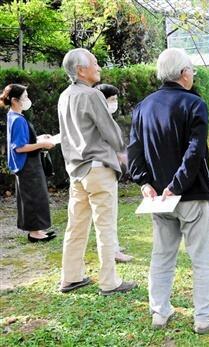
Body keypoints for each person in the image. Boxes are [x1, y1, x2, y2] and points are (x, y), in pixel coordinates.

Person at [128, 48, 209, 333]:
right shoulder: (194, 103)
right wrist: (177, 185)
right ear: (184, 73)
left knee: (162, 255)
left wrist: (145, 183)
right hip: (191, 194)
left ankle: (159, 311)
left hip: (158, 198)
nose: (193, 75)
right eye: (192, 70)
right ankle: (205, 316)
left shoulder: (142, 107)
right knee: (203, 257)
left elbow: (134, 152)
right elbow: (195, 151)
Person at [57, 48, 136, 295]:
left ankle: (70, 277)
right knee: (105, 227)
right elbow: (110, 130)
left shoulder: (64, 96)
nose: (98, 66)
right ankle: (109, 282)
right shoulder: (92, 95)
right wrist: (122, 152)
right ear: (81, 70)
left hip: (77, 170)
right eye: (94, 62)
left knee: (76, 226)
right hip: (98, 170)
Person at [1, 84, 56, 243]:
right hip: (27, 164)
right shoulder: (17, 119)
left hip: (27, 163)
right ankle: (34, 233)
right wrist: (42, 145)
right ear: (14, 100)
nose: (27, 100)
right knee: (33, 197)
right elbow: (19, 148)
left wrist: (39, 139)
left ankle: (38, 230)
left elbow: (23, 141)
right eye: (24, 97)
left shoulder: (14, 116)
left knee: (36, 195)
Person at [95, 83, 133, 263]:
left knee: (108, 214)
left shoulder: (99, 118)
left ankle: (114, 245)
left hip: (104, 169)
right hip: (103, 170)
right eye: (112, 100)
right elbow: (114, 146)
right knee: (107, 215)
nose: (115, 103)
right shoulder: (102, 121)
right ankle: (113, 251)